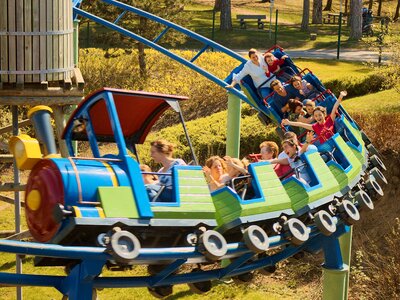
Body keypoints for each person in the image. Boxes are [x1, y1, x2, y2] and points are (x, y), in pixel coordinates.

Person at [281, 91, 348, 144]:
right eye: (316, 116)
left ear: (324, 115)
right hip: (327, 146)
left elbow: (334, 107)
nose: (318, 117)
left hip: (335, 141)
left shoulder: (330, 120)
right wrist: (289, 122)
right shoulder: (315, 126)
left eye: (319, 115)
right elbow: (301, 124)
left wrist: (341, 96)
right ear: (314, 118)